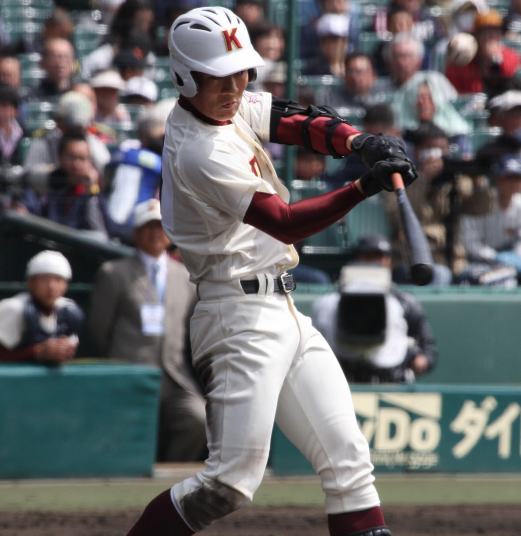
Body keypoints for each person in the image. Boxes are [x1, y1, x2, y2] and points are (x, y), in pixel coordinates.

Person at [127, 7, 417, 536]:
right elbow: (284, 222)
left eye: (241, 72)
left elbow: (290, 119)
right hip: (237, 318)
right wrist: (362, 186)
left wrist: (359, 142)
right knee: (229, 483)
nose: (235, 86)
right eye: (220, 76)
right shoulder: (199, 150)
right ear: (187, 77)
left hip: (282, 307)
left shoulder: (225, 107)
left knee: (350, 463)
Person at [89, 199, 206, 461]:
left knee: (199, 419)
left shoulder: (186, 276)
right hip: (129, 374)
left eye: (160, 227)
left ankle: (169, 476)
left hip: (175, 376)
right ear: (135, 233)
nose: (155, 233)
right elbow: (99, 328)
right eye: (148, 227)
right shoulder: (113, 272)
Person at [311, 235, 437, 383]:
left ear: (389, 261)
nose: (374, 262)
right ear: (357, 258)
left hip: (390, 380)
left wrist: (421, 360)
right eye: (368, 256)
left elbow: (428, 347)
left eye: (380, 256)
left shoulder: (404, 303)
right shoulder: (328, 303)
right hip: (342, 379)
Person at [0, 250, 83, 364]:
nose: (51, 286)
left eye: (58, 280)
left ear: (66, 285)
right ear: (30, 282)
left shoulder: (69, 311)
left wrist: (62, 350)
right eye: (44, 280)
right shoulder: (14, 308)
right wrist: (37, 352)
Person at [24, 132, 108, 239]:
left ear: (89, 162)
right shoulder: (46, 186)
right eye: (71, 157)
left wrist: (91, 192)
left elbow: (101, 234)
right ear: (59, 157)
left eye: (82, 159)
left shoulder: (93, 193)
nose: (76, 165)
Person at [104, 111, 165, 241]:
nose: (163, 140)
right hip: (132, 227)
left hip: (125, 226)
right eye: (161, 136)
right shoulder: (153, 160)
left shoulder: (124, 153)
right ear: (144, 136)